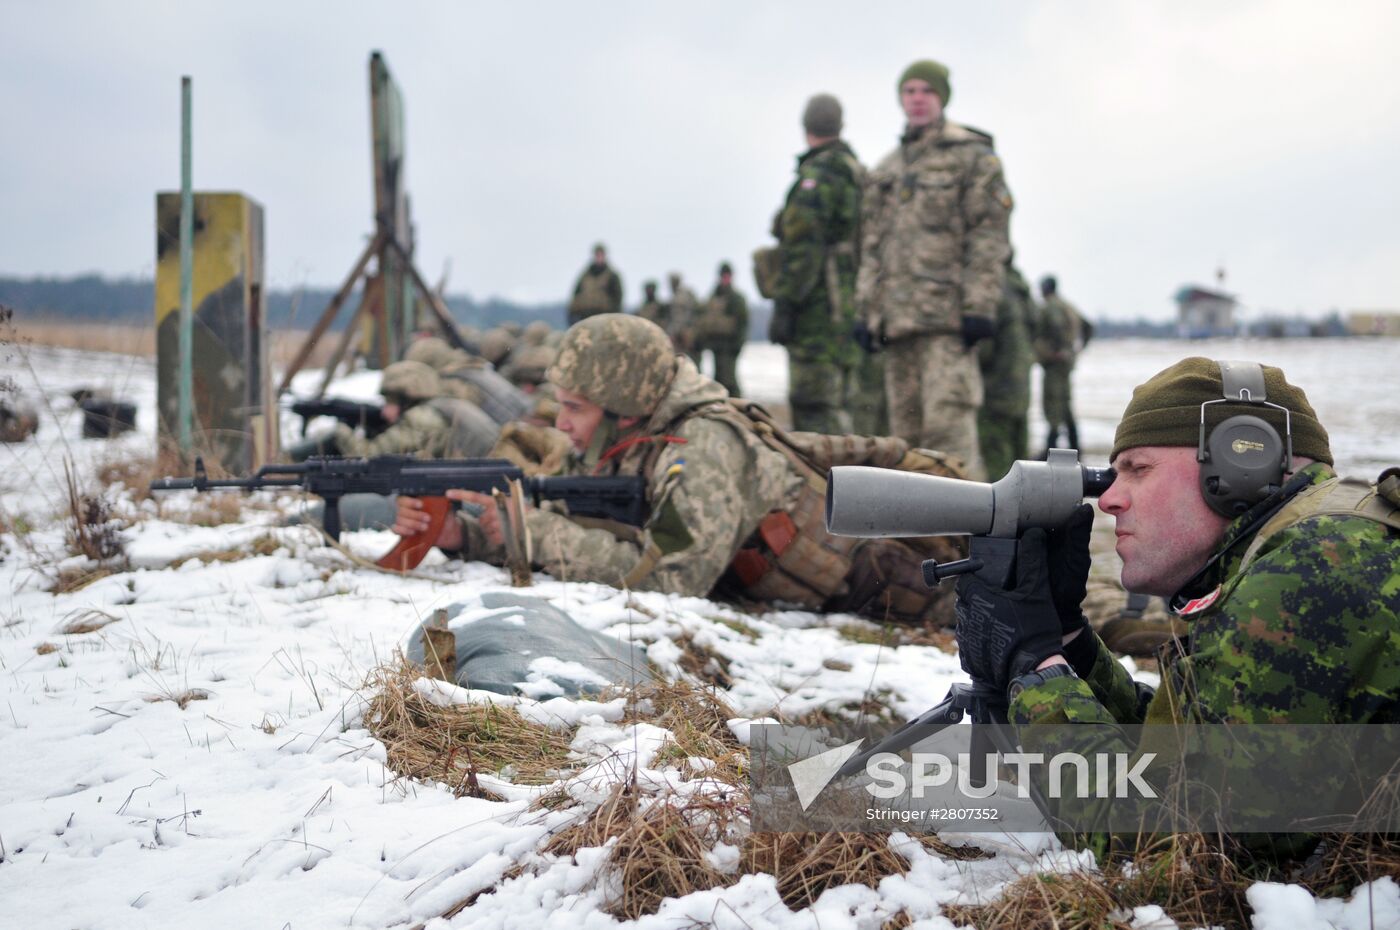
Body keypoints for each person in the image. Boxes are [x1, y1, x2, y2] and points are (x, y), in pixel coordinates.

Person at [951, 357, 1400, 850]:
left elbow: (1176, 852)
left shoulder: (1313, 568)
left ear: (1240, 463)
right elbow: (1190, 757)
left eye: (1138, 469)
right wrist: (1069, 644)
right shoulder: (1326, 540)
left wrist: (1037, 670)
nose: (1110, 500)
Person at [393, 313, 961, 622]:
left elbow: (671, 581)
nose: (560, 425)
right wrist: (467, 533)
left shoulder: (703, 449)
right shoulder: (617, 439)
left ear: (623, 405)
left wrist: (531, 532)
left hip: (913, 598)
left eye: (575, 409)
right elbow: (576, 523)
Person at [856, 59, 1013, 480]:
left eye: (926, 90)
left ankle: (971, 536)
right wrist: (867, 311)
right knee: (905, 445)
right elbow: (872, 244)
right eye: (909, 91)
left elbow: (988, 236)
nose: (917, 99)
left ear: (941, 97)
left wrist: (979, 306)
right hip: (898, 325)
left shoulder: (970, 157)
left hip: (947, 323)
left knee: (950, 435)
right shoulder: (887, 167)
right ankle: (920, 541)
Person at [768, 93, 865, 434]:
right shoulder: (856, 174)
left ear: (806, 126)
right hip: (852, 306)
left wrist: (786, 305)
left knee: (814, 410)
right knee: (844, 406)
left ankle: (827, 485)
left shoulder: (817, 178)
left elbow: (803, 248)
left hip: (818, 313)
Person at [292, 360, 499, 461]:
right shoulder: (444, 405)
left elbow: (367, 456)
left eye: (390, 400)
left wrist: (341, 432)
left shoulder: (421, 418)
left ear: (406, 398)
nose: (385, 407)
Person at [977, 261, 1036, 480]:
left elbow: (984, 349)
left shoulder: (992, 289)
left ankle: (1002, 512)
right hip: (1020, 388)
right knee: (1020, 459)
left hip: (995, 389)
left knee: (998, 466)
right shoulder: (1021, 290)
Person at [1035, 274, 1093, 452]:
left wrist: (1054, 352)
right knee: (1065, 403)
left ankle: (1049, 448)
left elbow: (1054, 327)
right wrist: (1076, 350)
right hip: (1066, 363)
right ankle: (1075, 446)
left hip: (1055, 364)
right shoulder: (1068, 306)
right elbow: (1088, 327)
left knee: (1053, 404)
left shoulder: (1050, 307)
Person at [694, 261, 749, 397]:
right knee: (718, 378)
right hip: (716, 345)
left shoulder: (736, 299)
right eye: (723, 276)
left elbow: (742, 323)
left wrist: (739, 344)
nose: (725, 279)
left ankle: (738, 406)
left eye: (727, 276)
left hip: (730, 346)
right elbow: (705, 318)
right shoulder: (713, 296)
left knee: (729, 379)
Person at [567, 243, 623, 324]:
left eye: (601, 255)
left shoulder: (612, 276)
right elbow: (576, 296)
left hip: (605, 317)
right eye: (597, 255)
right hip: (585, 316)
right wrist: (572, 315)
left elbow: (618, 298)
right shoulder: (584, 276)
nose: (599, 257)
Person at [665, 271, 700, 362]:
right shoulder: (678, 296)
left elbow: (680, 318)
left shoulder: (681, 296)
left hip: (684, 335)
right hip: (680, 335)